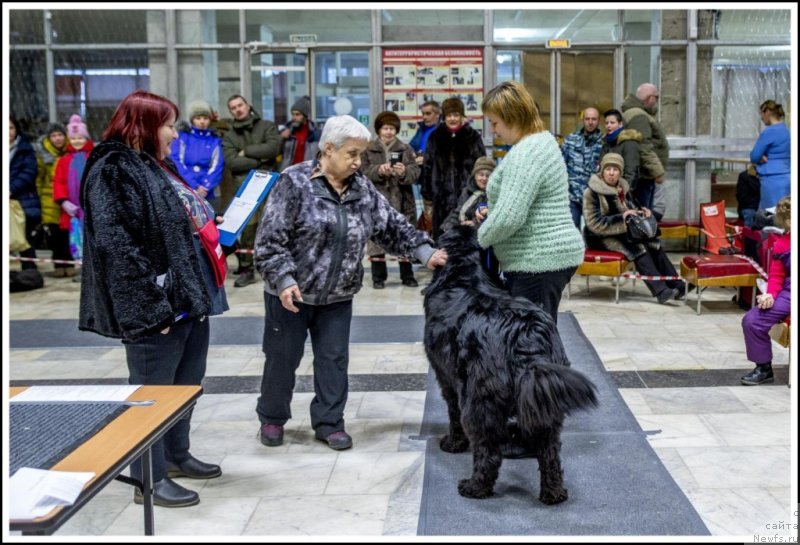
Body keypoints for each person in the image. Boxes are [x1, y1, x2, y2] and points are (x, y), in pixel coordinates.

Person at [253, 115, 447, 451]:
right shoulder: (294, 181)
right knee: (282, 359)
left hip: (338, 296)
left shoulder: (362, 188)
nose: (359, 162)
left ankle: (329, 423)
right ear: (328, 149)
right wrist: (283, 279)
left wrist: (424, 251)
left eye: (361, 154)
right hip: (291, 295)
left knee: (334, 360)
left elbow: (391, 226)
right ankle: (272, 417)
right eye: (353, 154)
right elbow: (270, 241)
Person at [79, 89, 228, 508]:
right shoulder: (112, 168)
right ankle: (150, 476)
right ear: (143, 126)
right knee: (151, 394)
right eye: (167, 125)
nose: (174, 135)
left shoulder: (155, 166)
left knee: (185, 385)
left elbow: (171, 221)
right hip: (155, 306)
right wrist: (149, 307)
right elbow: (116, 247)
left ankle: (177, 455)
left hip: (187, 299)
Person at [476, 81, 584, 323]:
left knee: (531, 344)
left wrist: (477, 239)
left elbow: (509, 217)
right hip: (542, 259)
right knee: (536, 338)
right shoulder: (540, 142)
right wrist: (492, 212)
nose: (493, 130)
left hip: (538, 261)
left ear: (512, 117)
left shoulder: (527, 152)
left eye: (495, 123)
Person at [582, 153, 687, 304]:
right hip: (598, 237)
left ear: (621, 172)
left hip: (622, 233)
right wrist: (622, 218)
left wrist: (642, 211)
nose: (611, 173)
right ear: (602, 171)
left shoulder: (622, 189)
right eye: (608, 169)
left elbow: (632, 208)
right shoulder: (591, 192)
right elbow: (593, 223)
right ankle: (661, 291)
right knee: (636, 247)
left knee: (653, 244)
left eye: (616, 170)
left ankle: (677, 285)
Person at [222, 94, 282, 287]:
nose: (238, 109)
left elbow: (273, 148)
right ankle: (247, 269)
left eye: (240, 105)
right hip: (244, 185)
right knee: (248, 228)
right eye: (233, 108)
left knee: (273, 224)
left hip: (270, 182)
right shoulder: (230, 135)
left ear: (247, 105)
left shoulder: (266, 126)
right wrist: (260, 158)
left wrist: (246, 152)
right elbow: (232, 162)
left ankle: (274, 266)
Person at [361, 111, 421, 288]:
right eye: (385, 128)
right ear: (378, 130)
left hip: (402, 200)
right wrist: (378, 170)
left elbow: (416, 173)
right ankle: (378, 277)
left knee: (404, 237)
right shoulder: (368, 150)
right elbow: (362, 172)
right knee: (376, 238)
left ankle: (407, 276)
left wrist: (404, 172)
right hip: (376, 200)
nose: (389, 132)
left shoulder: (405, 149)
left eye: (392, 128)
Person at [740, 196, 790, 386]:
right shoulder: (782, 244)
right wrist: (770, 294)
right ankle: (763, 368)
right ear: (787, 222)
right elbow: (777, 276)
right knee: (752, 320)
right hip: (789, 293)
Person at [419, 97, 485, 241]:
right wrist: (427, 194)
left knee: (466, 241)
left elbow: (482, 166)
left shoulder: (473, 137)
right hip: (441, 199)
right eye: (449, 115)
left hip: (468, 198)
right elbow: (427, 166)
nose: (453, 119)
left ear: (462, 116)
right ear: (444, 117)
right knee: (443, 238)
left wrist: (481, 192)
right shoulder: (435, 137)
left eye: (456, 115)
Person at [440, 156, 501, 285]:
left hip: (483, 239)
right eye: (481, 174)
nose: (484, 178)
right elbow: (458, 211)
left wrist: (473, 224)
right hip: (465, 234)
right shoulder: (467, 191)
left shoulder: (495, 195)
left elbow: (491, 218)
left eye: (488, 175)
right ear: (474, 175)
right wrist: (449, 226)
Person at [52, 114, 95, 282]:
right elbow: (58, 181)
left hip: (91, 209)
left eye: (80, 138)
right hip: (74, 211)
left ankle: (95, 271)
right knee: (77, 240)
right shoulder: (64, 160)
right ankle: (83, 271)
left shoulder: (92, 157)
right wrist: (64, 201)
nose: (77, 141)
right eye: (74, 138)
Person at [34, 122, 73, 277]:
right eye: (53, 136)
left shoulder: (70, 152)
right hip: (49, 201)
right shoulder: (43, 155)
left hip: (68, 200)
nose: (57, 139)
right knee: (54, 235)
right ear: (49, 138)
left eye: (60, 135)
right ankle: (58, 264)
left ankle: (69, 263)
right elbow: (38, 179)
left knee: (68, 235)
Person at [621, 83, 669, 209]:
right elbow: (643, 146)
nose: (657, 101)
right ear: (649, 98)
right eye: (656, 97)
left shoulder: (639, 113)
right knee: (642, 214)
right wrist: (657, 172)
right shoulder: (639, 115)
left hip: (643, 174)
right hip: (642, 176)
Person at [169, 99, 224, 209]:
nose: (202, 121)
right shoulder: (183, 137)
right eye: (198, 118)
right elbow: (176, 160)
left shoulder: (214, 140)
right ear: (192, 120)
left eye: (205, 118)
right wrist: (193, 185)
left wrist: (205, 186)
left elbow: (217, 165)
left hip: (209, 192)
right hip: (186, 187)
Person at [561, 107, 602, 229]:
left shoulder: (604, 142)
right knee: (573, 232)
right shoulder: (570, 140)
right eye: (587, 119)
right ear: (583, 120)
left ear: (598, 121)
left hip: (594, 196)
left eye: (593, 119)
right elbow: (561, 164)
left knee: (594, 235)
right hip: (572, 195)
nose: (590, 122)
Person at [9, 117, 40, 271]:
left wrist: (11, 189)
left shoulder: (24, 149)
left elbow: (29, 172)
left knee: (23, 236)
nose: (8, 132)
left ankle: (30, 271)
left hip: (21, 200)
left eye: (11, 128)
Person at [750, 100, 790, 211]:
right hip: (786, 176)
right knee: (785, 214)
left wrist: (760, 157)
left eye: (762, 114)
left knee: (771, 215)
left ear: (767, 112)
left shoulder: (769, 132)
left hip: (771, 179)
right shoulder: (787, 130)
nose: (761, 118)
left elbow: (754, 156)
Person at [279, 95, 321, 171]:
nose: (294, 117)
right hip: (288, 172)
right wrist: (281, 138)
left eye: (297, 114)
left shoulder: (315, 134)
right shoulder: (286, 131)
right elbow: (276, 151)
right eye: (293, 114)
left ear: (305, 116)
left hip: (307, 172)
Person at [736, 164, 761, 228]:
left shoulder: (768, 177)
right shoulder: (744, 176)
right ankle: (748, 236)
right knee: (751, 214)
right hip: (749, 207)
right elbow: (741, 196)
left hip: (764, 206)